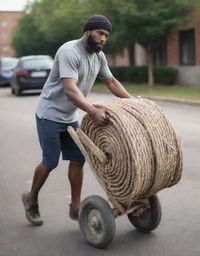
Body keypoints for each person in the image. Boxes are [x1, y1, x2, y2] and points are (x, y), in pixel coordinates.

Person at [22, 14, 132, 226]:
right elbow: (70, 90)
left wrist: (134, 102)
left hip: (70, 116)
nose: (103, 39)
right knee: (50, 161)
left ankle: (75, 207)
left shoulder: (98, 57)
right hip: (50, 115)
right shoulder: (69, 52)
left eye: (106, 35)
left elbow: (111, 81)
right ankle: (31, 198)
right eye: (100, 33)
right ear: (88, 31)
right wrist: (93, 111)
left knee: (78, 159)